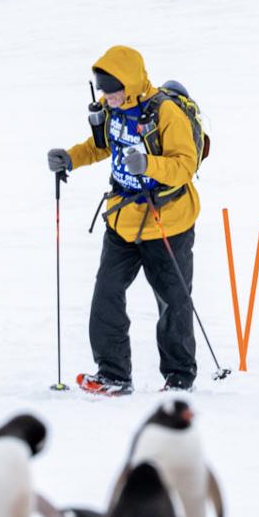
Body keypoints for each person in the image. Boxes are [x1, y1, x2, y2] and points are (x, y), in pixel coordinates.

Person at [47, 46, 201, 395]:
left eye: (112, 90)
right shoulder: (111, 109)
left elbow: (184, 166)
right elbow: (102, 146)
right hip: (122, 219)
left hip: (169, 221)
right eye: (102, 90)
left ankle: (179, 378)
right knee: (106, 294)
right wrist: (70, 158)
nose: (106, 97)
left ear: (129, 84)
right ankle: (113, 374)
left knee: (173, 300)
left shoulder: (166, 113)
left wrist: (149, 165)